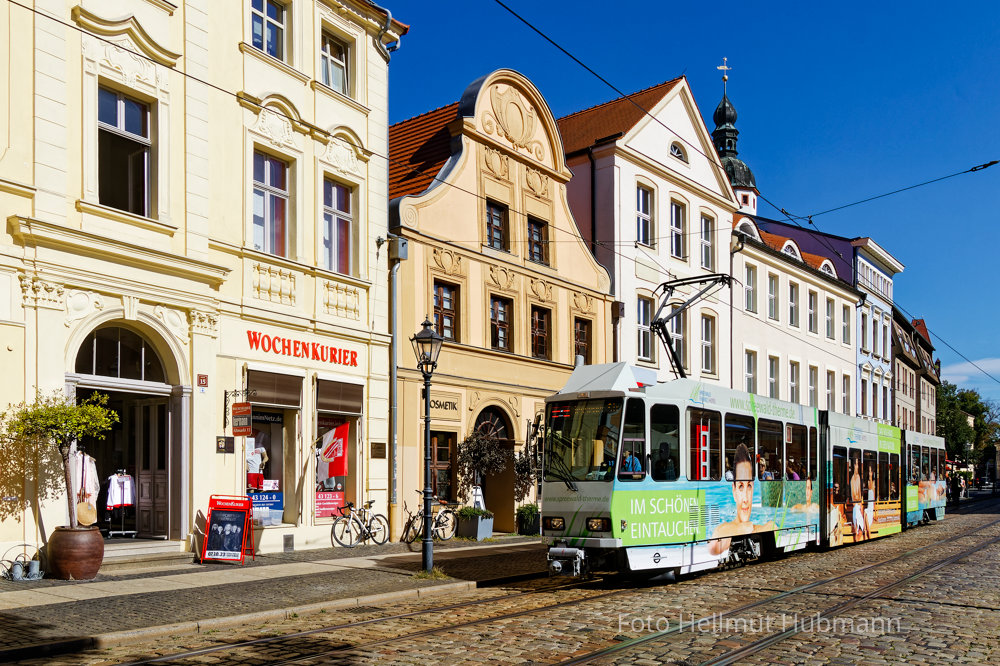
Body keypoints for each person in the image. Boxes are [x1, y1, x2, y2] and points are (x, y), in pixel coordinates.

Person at [709, 443, 776, 555]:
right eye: (740, 486)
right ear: (734, 490)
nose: (745, 499)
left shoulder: (768, 525)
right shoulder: (721, 530)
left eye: (749, 485)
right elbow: (712, 549)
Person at [851, 456, 866, 541]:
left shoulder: (858, 477)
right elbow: (855, 493)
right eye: (856, 464)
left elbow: (859, 492)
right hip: (856, 505)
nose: (857, 466)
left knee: (857, 519)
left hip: (857, 505)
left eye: (857, 464)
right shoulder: (854, 478)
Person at [865, 465, 876, 536]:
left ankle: (870, 473)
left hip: (870, 505)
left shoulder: (869, 519)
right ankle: (870, 473)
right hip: (871, 505)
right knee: (871, 488)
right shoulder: (870, 520)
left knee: (870, 488)